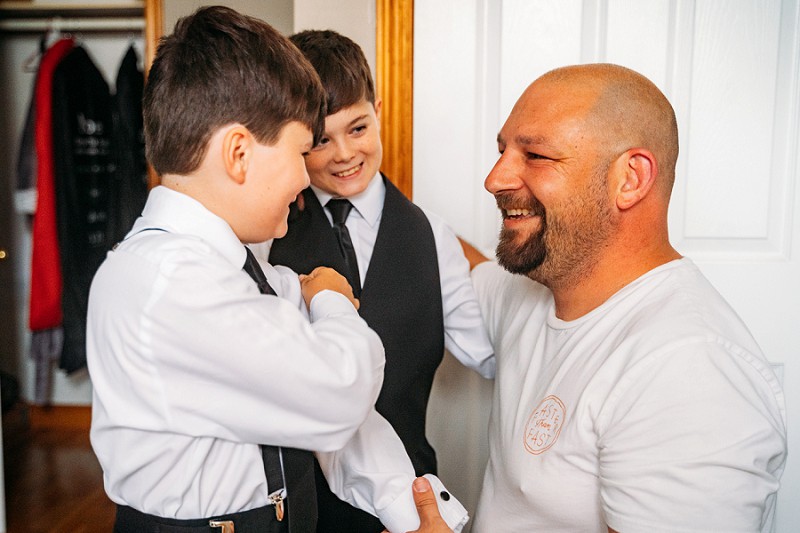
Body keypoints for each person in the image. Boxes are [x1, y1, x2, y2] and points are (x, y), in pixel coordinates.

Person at [86, 7, 467, 533]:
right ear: (239, 153)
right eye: (301, 151)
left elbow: (344, 423)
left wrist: (412, 512)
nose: (302, 178)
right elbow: (341, 390)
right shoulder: (170, 283)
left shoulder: (238, 271)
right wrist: (330, 295)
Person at [419, 63, 787, 532]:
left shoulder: (691, 375)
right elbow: (458, 264)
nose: (495, 178)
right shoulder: (530, 294)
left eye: (535, 155)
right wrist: (365, 186)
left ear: (630, 178)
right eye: (502, 150)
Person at [257, 30, 495, 532]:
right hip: (302, 508)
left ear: (379, 110)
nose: (344, 153)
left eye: (359, 127)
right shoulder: (267, 237)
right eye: (321, 139)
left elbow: (491, 353)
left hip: (409, 505)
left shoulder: (431, 234)